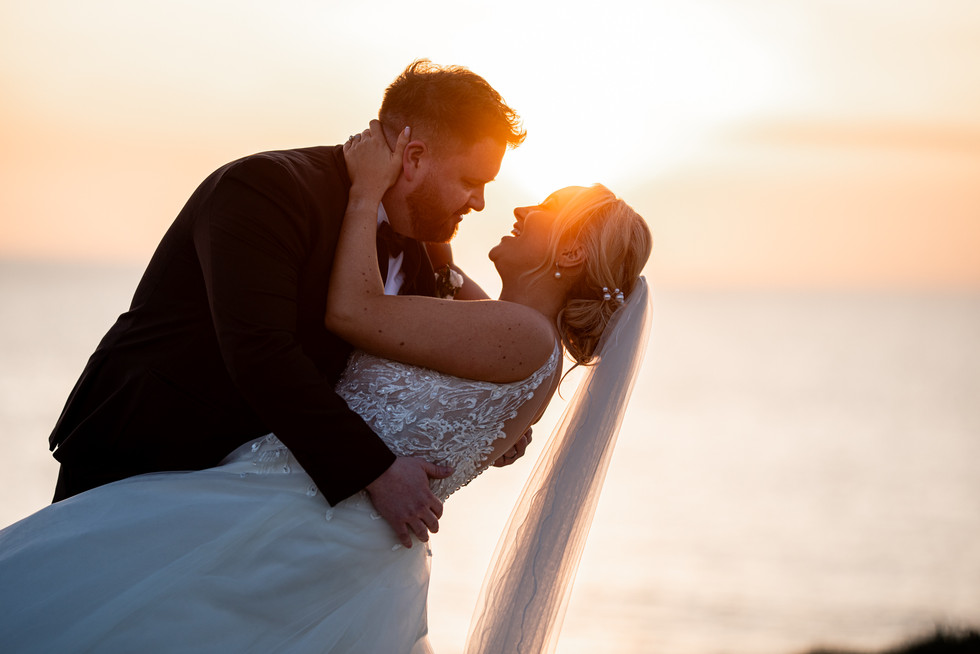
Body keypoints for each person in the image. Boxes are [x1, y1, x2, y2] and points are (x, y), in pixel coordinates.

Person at [0, 124, 653, 653]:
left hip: (289, 525)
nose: (517, 207)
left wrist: (368, 188)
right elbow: (448, 293)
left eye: (546, 208)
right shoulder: (507, 329)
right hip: (315, 526)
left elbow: (354, 310)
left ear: (569, 255)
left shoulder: (523, 336)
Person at [46, 60, 528, 547]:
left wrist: (487, 418)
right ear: (415, 157)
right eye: (471, 180)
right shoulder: (265, 189)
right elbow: (260, 350)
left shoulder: (427, 241)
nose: (480, 202)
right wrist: (377, 471)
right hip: (144, 457)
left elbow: (422, 355)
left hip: (256, 505)